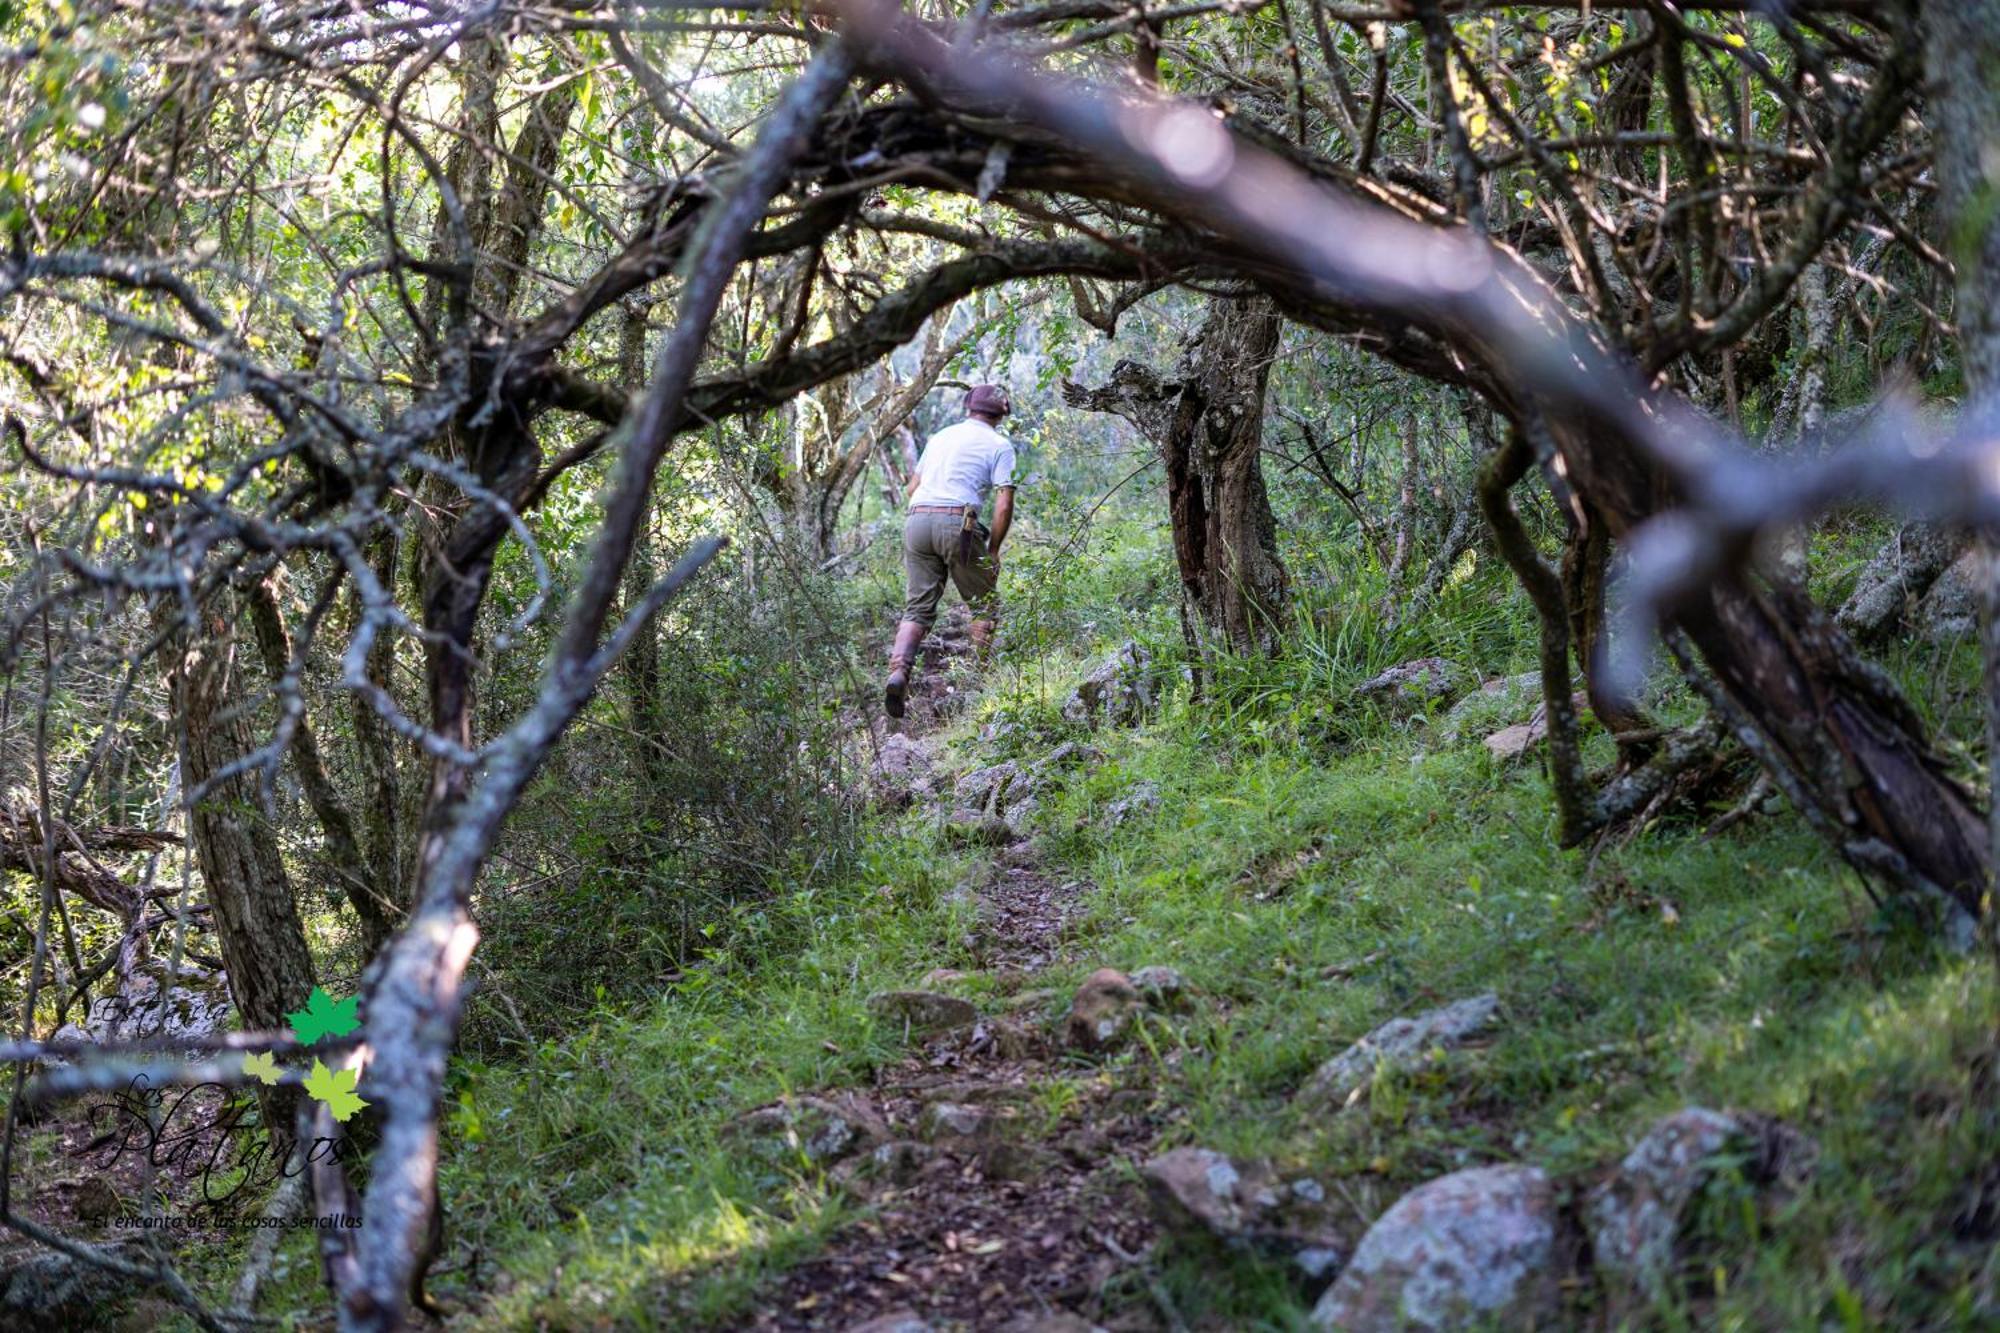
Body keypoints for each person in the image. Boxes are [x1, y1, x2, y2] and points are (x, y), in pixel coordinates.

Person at [884, 383, 1016, 718]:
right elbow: (1003, 505)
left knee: (917, 609)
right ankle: (977, 684)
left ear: (968, 408)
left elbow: (912, 487)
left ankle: (899, 671)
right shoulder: (1000, 445)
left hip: (917, 519)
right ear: (1001, 413)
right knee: (985, 606)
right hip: (957, 521)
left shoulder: (940, 437)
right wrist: (994, 548)